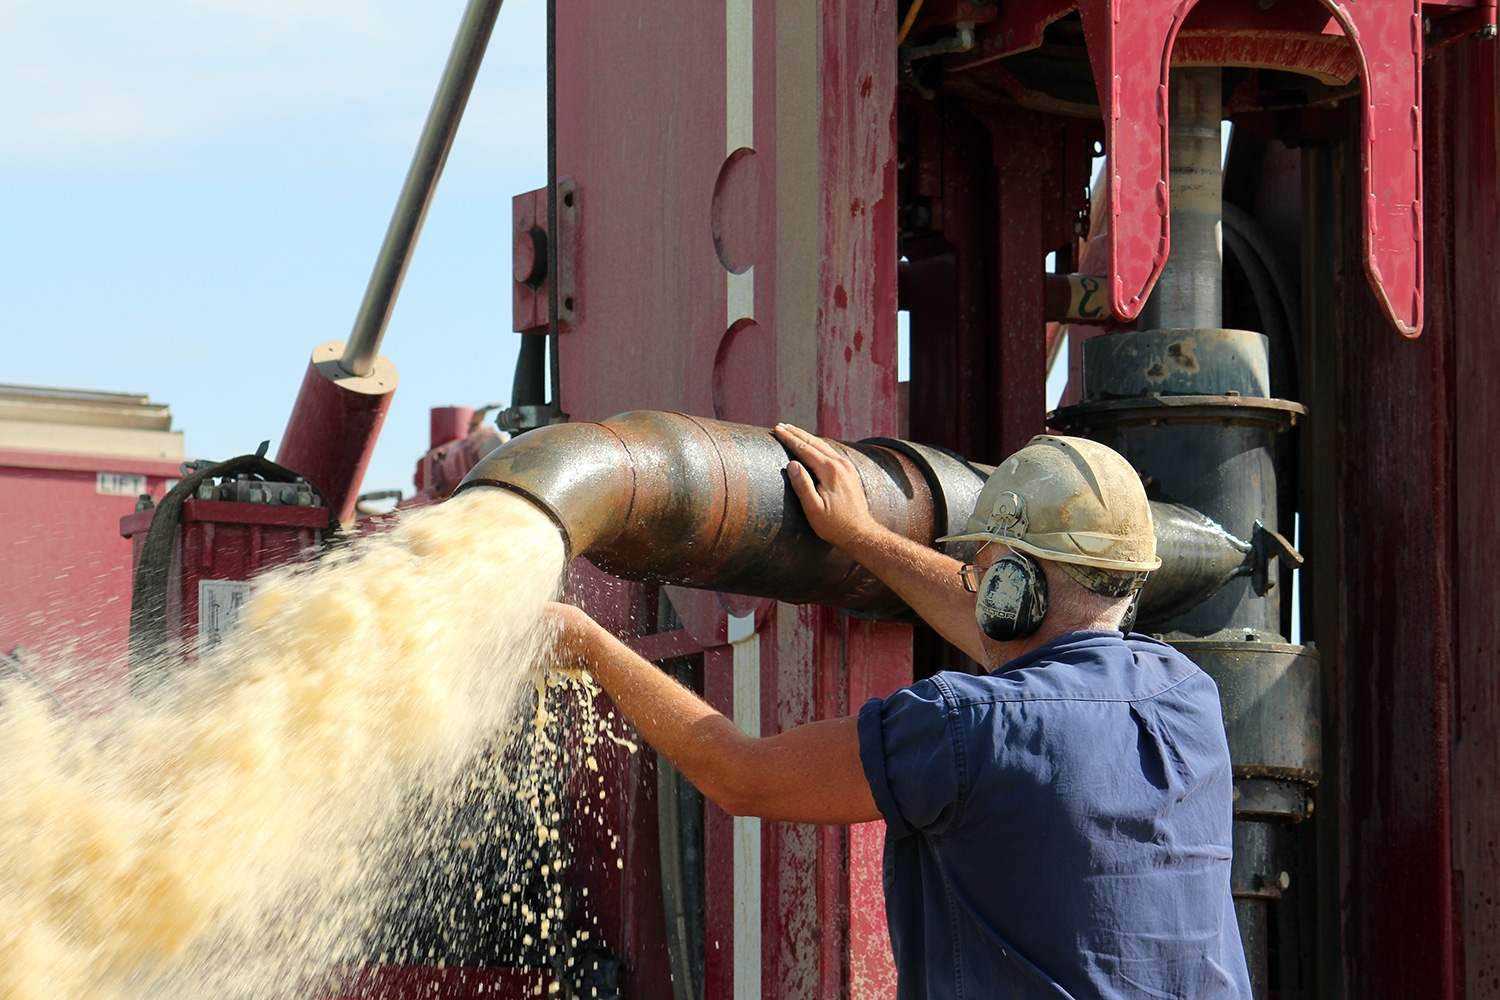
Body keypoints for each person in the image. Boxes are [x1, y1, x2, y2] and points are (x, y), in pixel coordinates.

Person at [547, 424, 1251, 999]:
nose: (977, 584)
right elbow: (1003, 632)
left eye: (986, 567)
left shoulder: (962, 729)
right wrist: (864, 538)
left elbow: (742, 775)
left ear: (1014, 585)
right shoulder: (1186, 697)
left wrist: (588, 645)